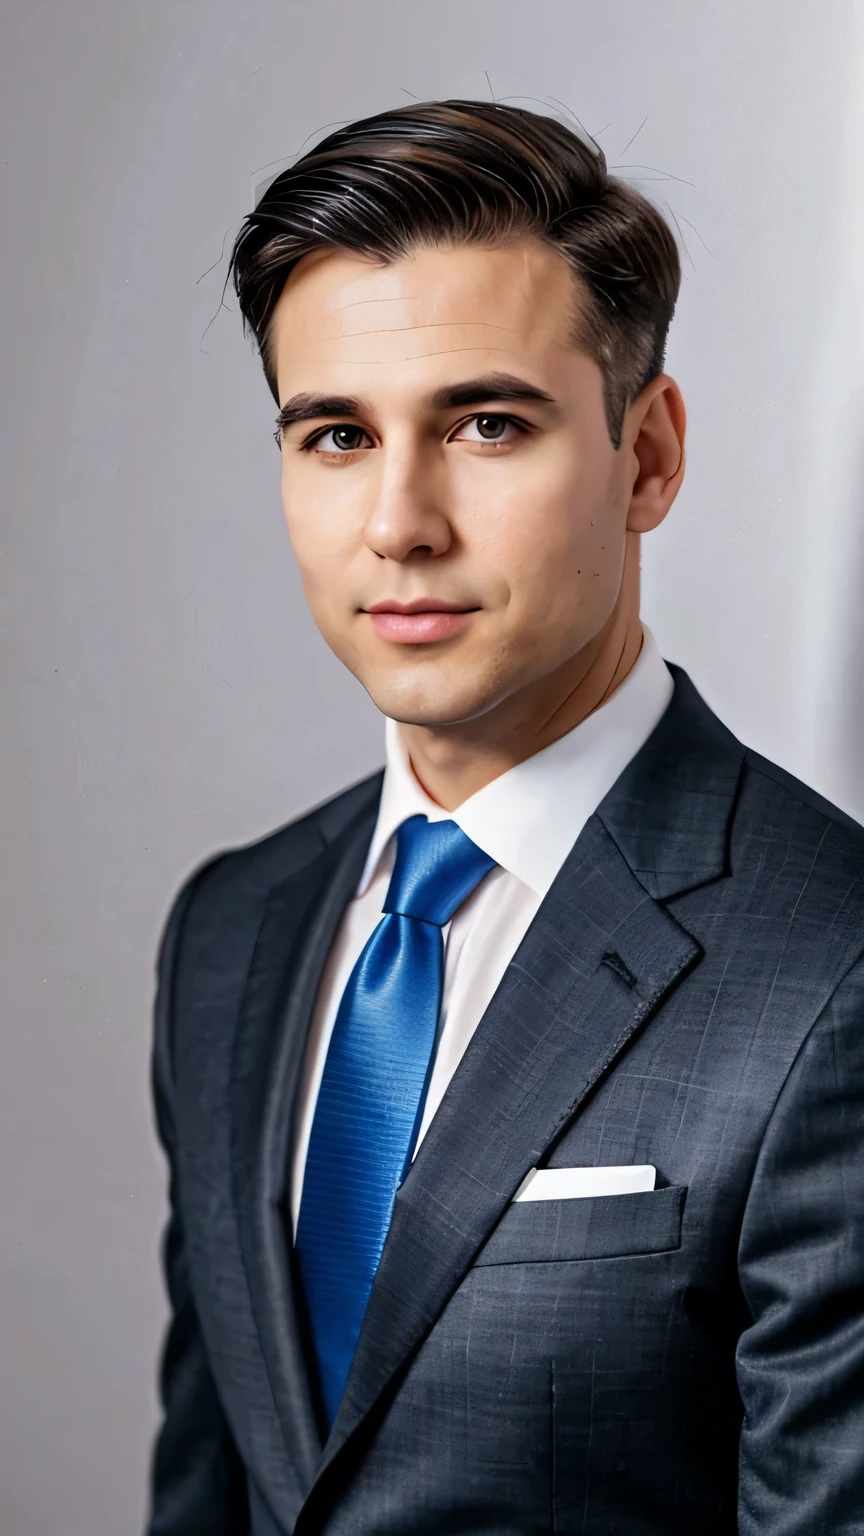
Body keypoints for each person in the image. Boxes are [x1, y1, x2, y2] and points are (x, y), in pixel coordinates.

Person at [145, 100, 864, 1536]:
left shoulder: (833, 964)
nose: (401, 521)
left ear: (648, 456)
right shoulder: (229, 932)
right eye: (337, 434)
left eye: (487, 423)